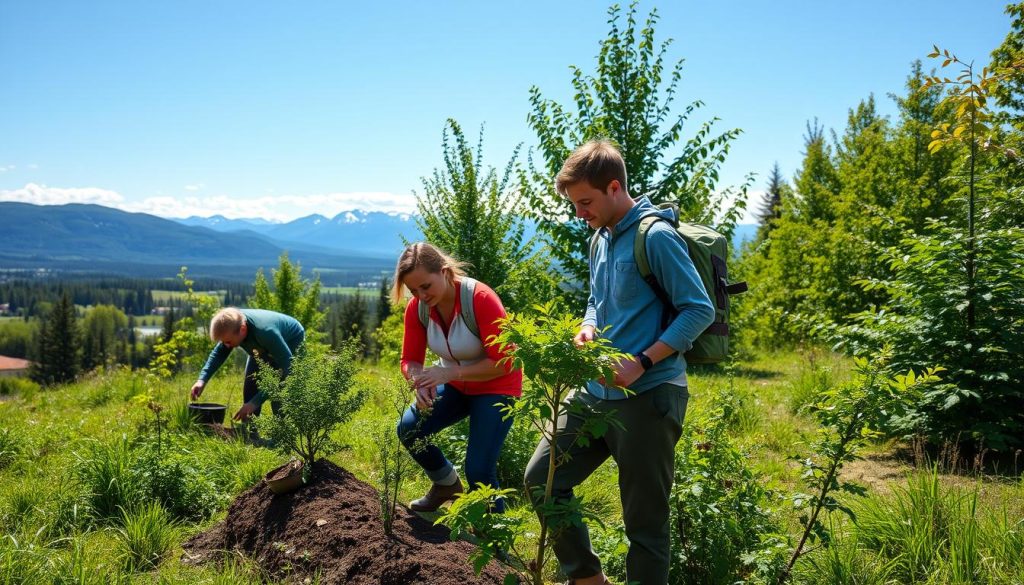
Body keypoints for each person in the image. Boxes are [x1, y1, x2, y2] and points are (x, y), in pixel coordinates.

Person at [524, 140, 715, 585]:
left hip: (649, 395)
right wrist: (588, 327)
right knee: (542, 480)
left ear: (614, 188)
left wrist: (642, 362)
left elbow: (698, 310)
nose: (579, 212)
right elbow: (596, 301)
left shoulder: (656, 236)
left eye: (585, 202)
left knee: (644, 523)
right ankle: (587, 577)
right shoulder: (599, 239)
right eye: (574, 204)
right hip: (593, 392)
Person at [394, 242, 522, 513]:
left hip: (497, 387)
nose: (420, 295)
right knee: (409, 429)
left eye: (426, 286)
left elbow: (507, 361)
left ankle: (494, 539)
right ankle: (445, 484)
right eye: (414, 290)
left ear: (444, 272)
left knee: (478, 470)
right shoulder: (417, 308)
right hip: (454, 385)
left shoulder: (480, 299)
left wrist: (450, 372)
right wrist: (419, 381)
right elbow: (410, 360)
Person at [190, 307, 305, 423]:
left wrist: (255, 402)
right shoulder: (233, 324)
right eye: (223, 342)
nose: (227, 346)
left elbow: (288, 370)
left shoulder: (266, 333)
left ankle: (282, 436)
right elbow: (220, 353)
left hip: (290, 340)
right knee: (251, 383)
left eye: (228, 342)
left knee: (279, 396)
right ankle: (250, 433)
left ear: (243, 329)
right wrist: (202, 380)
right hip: (260, 344)